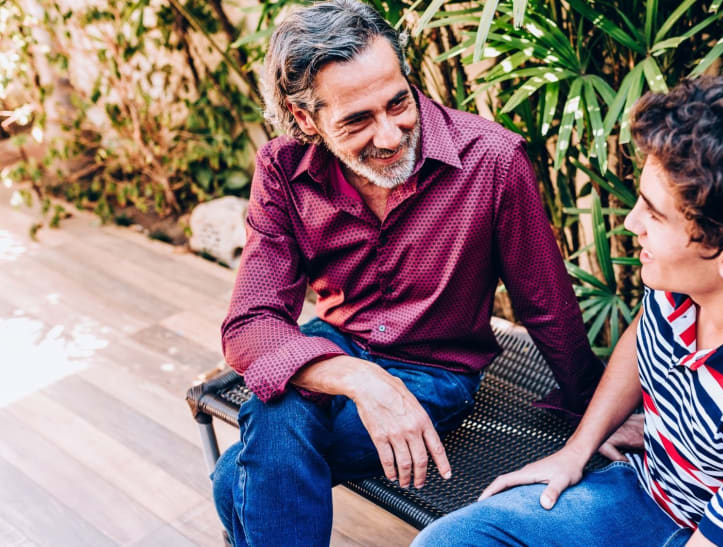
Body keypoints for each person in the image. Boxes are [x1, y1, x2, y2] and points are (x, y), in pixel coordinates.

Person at [413, 71, 723, 547]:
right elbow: (642, 336)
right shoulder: (686, 282)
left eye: (655, 213)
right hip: (652, 493)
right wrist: (576, 451)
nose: (632, 224)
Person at [210, 1, 604, 544]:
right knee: (272, 425)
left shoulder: (493, 160)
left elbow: (547, 304)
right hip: (335, 344)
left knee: (237, 474)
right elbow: (249, 323)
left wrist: (596, 413)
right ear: (306, 119)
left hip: (436, 370)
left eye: (398, 102)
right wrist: (364, 381)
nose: (392, 135)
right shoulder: (281, 168)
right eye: (357, 120)